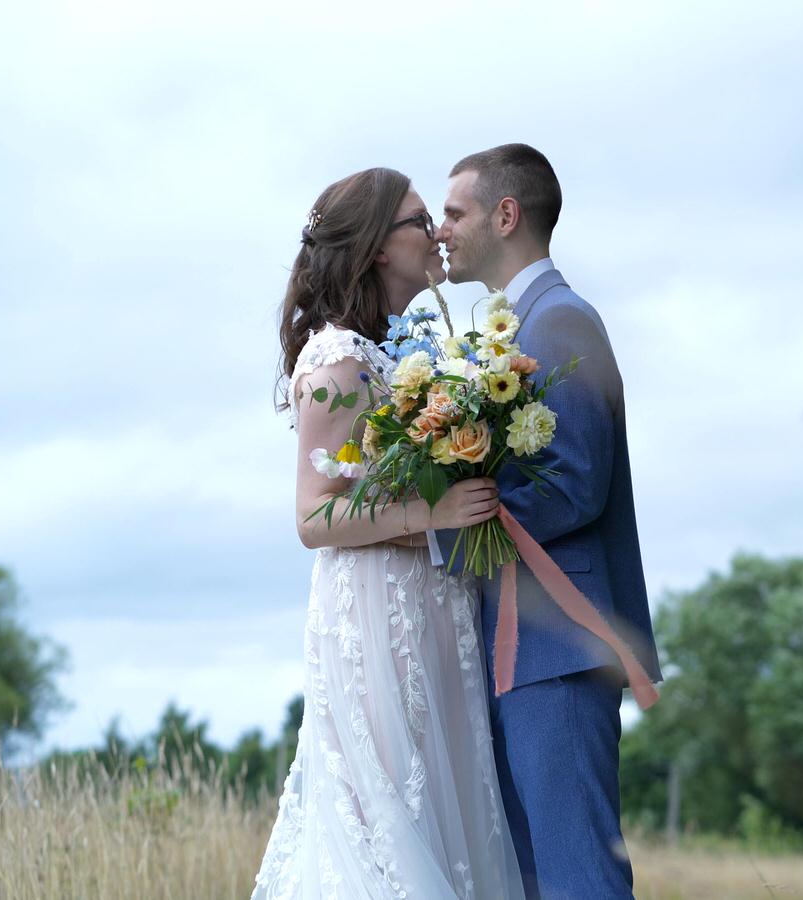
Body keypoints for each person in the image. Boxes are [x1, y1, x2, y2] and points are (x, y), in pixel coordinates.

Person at [253, 167, 523, 899]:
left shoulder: (413, 356)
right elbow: (314, 515)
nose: (436, 232)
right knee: (388, 821)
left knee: (448, 812)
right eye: (417, 220)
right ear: (375, 246)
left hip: (438, 605)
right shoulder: (335, 358)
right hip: (374, 618)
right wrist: (432, 514)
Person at [429, 144, 661, 899]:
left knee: (578, 880)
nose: (441, 229)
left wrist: (436, 526)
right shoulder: (513, 326)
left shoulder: (560, 322)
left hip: (558, 647)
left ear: (506, 214)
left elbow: (575, 486)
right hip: (521, 652)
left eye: (455, 212)